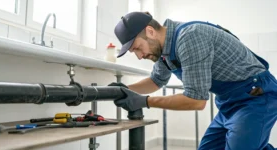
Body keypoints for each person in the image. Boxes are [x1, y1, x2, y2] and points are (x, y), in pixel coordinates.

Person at [108, 11, 277, 150]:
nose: (139, 56)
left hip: (256, 96)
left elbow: (196, 101)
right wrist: (124, 90)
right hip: (229, 103)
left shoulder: (190, 37)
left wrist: (144, 101)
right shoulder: (163, 51)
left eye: (137, 48)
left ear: (150, 31)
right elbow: (156, 80)